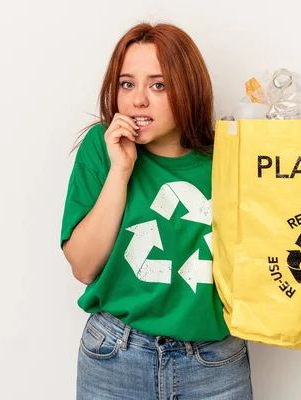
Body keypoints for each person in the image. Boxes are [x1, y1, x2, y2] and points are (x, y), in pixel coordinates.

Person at [60, 22, 253, 399]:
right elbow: (84, 267)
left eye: (158, 85)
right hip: (114, 356)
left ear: (189, 87)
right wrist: (121, 170)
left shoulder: (230, 157)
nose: (138, 101)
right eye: (127, 84)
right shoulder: (102, 148)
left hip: (214, 363)